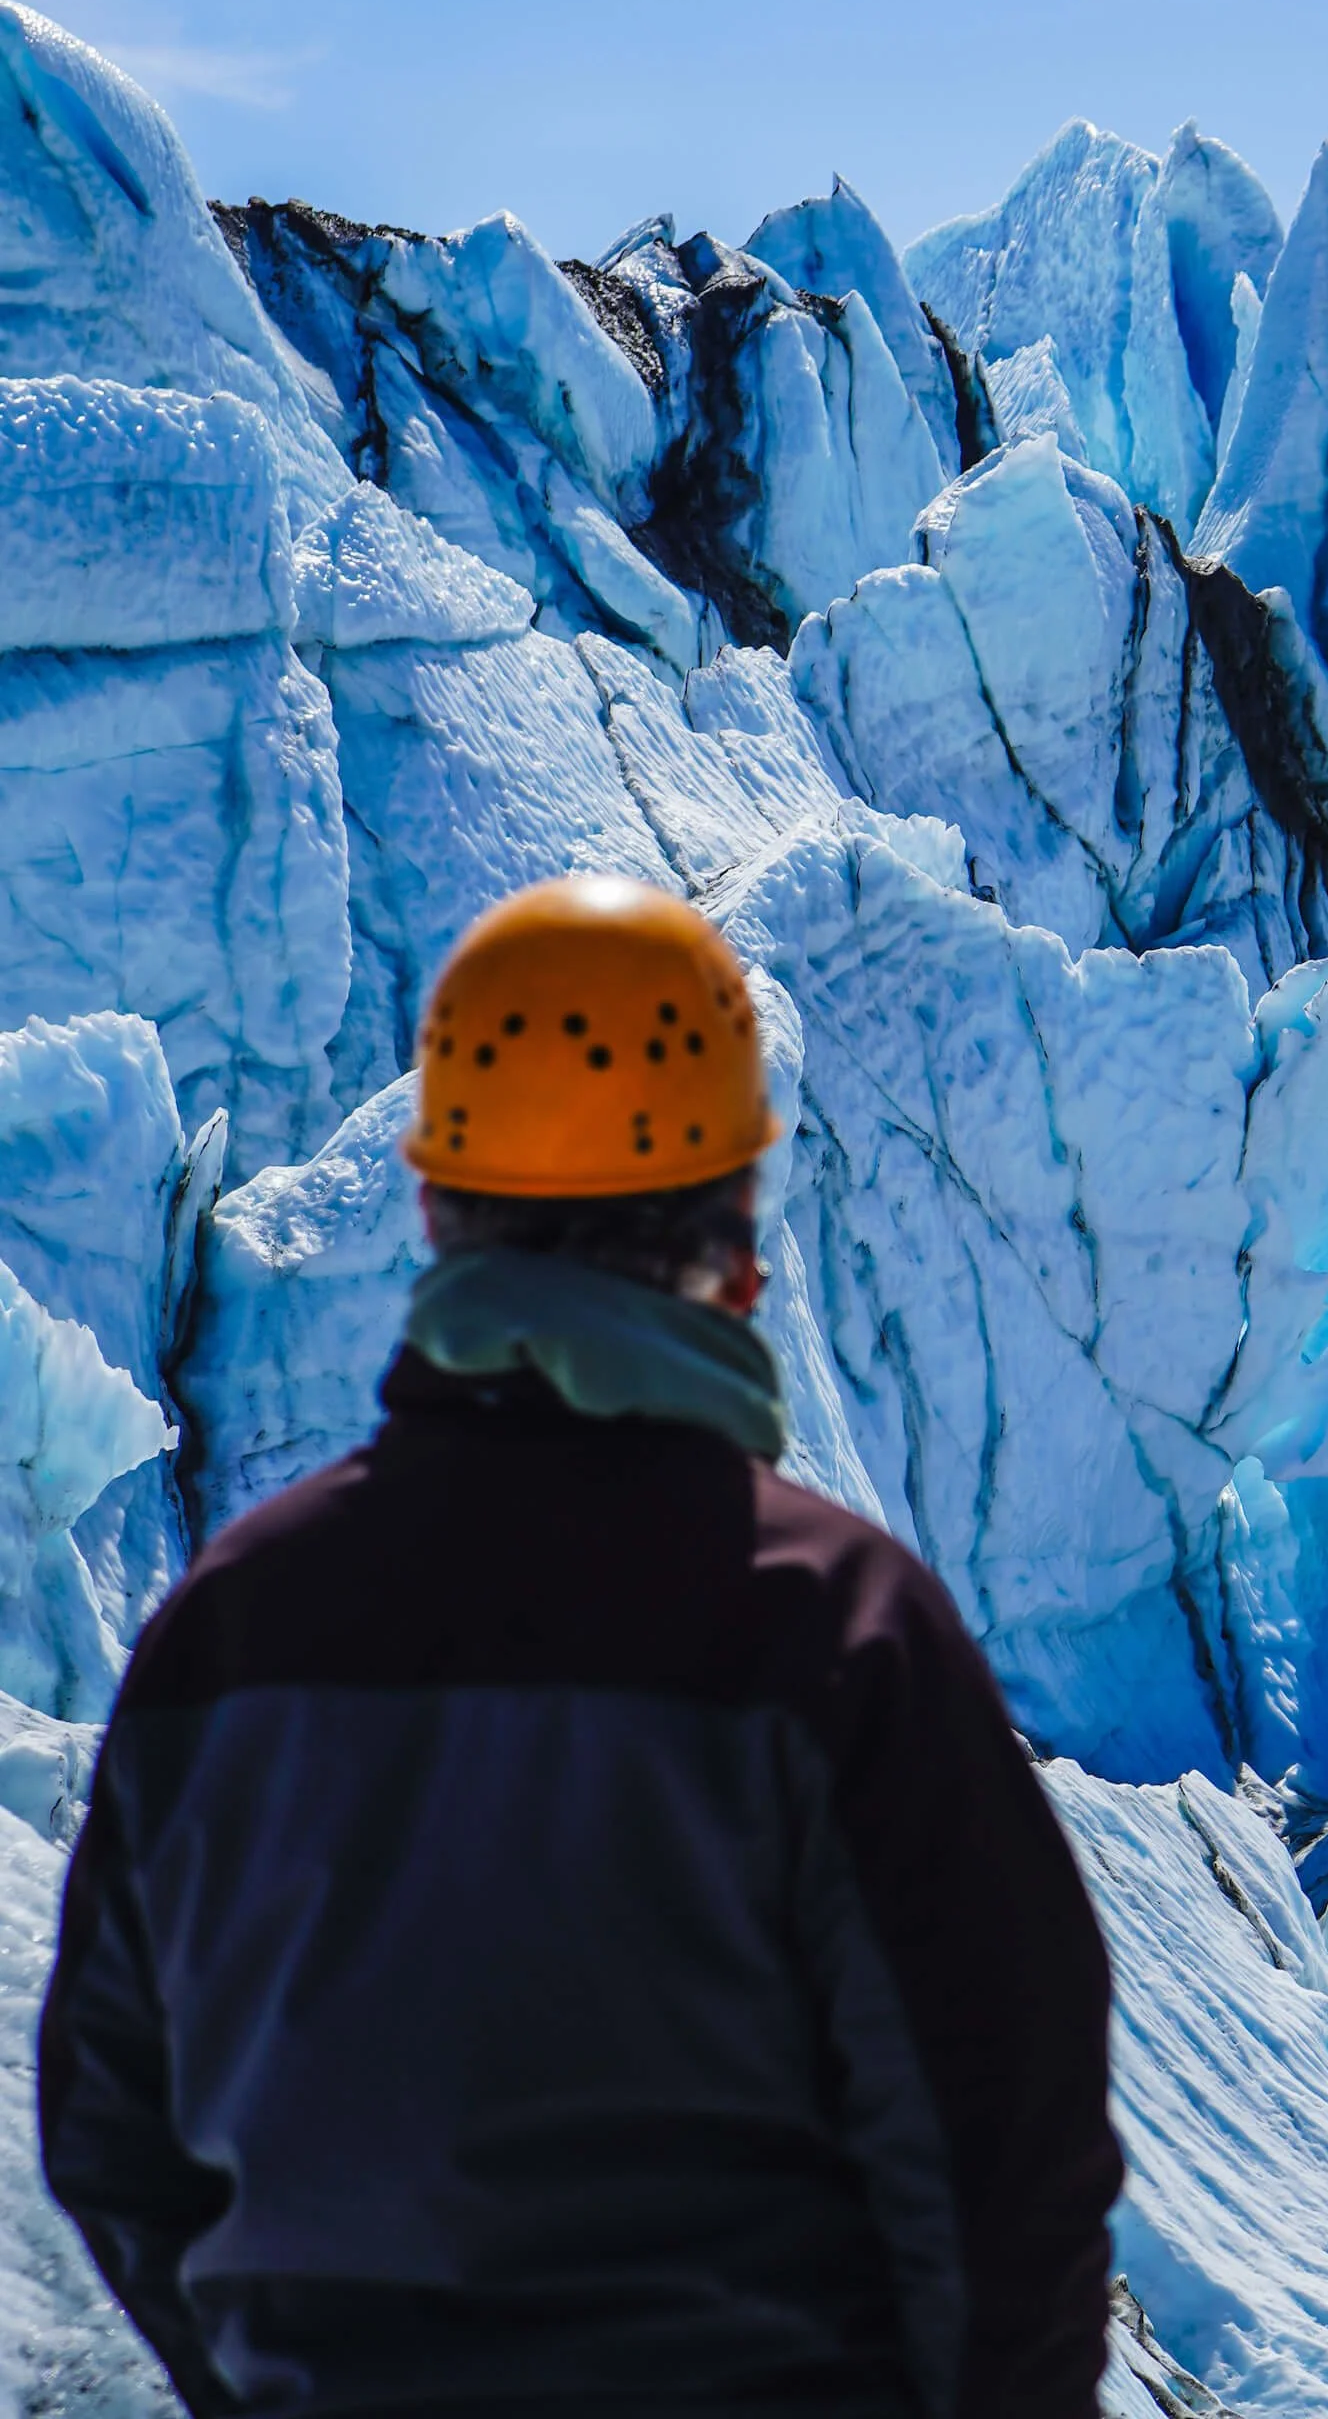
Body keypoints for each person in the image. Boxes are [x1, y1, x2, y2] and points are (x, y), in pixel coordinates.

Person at [39, 876, 1123, 2419]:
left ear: (433, 1212)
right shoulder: (835, 1634)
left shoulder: (226, 1635)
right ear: (736, 1229)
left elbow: (107, 2128)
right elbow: (1004, 2167)